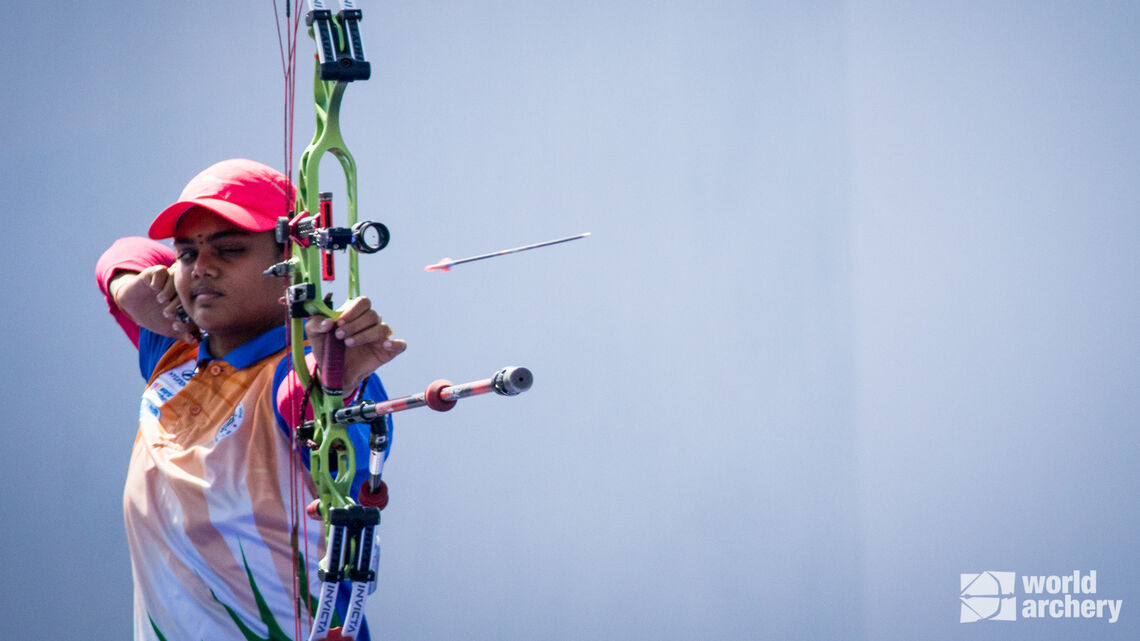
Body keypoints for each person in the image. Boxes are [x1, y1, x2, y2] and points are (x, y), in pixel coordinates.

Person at [95, 158, 405, 641]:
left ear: (294, 259)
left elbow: (314, 403)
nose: (202, 268)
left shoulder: (299, 370)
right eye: (185, 254)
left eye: (231, 249)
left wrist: (338, 375)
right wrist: (130, 287)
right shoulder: (172, 351)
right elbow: (122, 253)